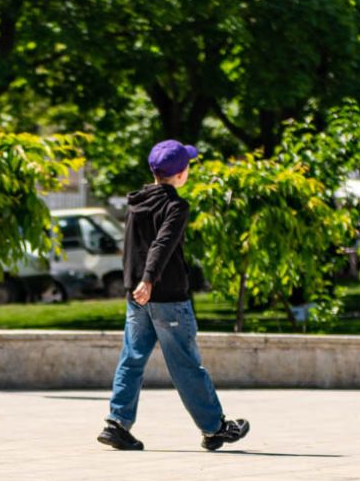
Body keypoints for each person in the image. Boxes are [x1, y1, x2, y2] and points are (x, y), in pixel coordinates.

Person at [97, 140, 250, 452]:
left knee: (132, 358)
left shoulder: (136, 203)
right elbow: (162, 243)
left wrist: (135, 283)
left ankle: (116, 424)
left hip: (136, 296)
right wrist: (149, 279)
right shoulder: (176, 206)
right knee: (185, 364)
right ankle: (215, 428)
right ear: (181, 174)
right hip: (167, 297)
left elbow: (131, 249)